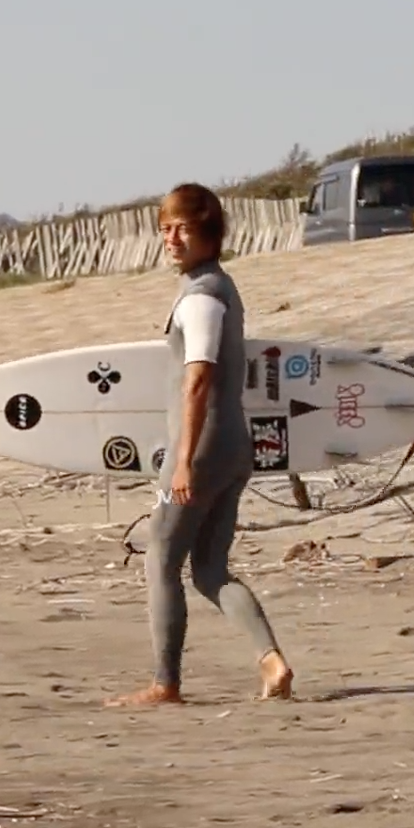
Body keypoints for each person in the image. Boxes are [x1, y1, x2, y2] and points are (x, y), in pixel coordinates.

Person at [107, 183, 296, 707]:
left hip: (205, 447)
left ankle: (165, 684)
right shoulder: (220, 287)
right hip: (234, 444)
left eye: (183, 229)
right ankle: (272, 661)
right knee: (210, 570)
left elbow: (198, 381)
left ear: (209, 233)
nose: (171, 239)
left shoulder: (202, 298)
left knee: (161, 558)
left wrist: (184, 462)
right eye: (165, 228)